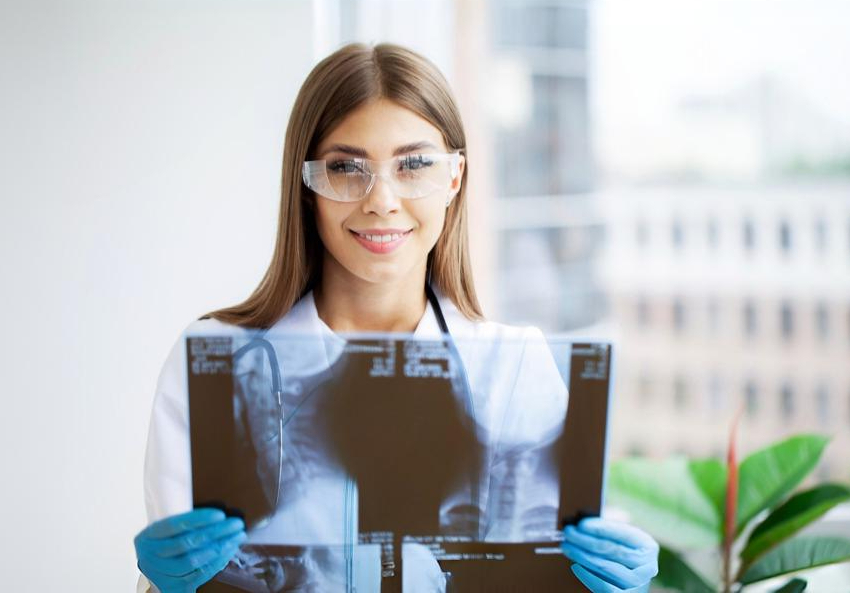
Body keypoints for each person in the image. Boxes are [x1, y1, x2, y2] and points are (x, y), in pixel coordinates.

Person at [132, 42, 658, 593]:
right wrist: (160, 586)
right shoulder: (219, 365)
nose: (381, 200)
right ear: (307, 186)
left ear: (454, 178)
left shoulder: (512, 370)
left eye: (414, 165)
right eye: (346, 167)